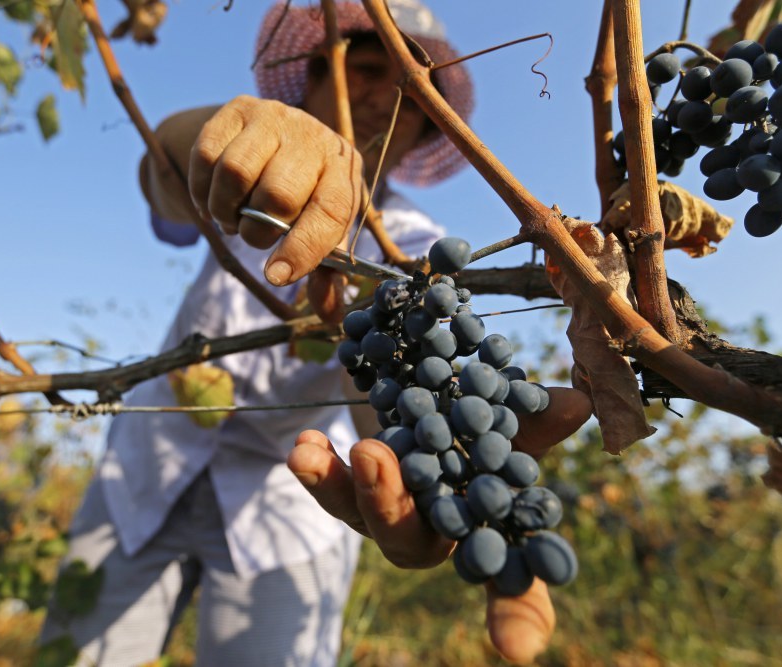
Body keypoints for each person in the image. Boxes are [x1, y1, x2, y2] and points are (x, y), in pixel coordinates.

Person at [41, 1, 591, 665]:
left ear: (423, 125)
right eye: (362, 69)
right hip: (144, 471)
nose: (382, 97)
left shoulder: (415, 251)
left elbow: (383, 386)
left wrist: (449, 475)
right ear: (312, 79)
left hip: (285, 505)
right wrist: (246, 132)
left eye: (408, 94)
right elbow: (163, 171)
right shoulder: (248, 188)